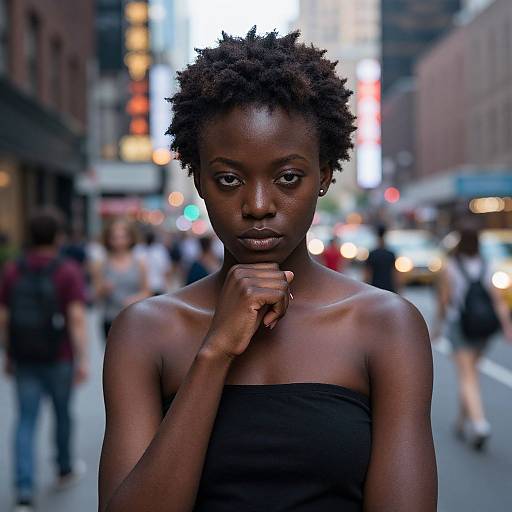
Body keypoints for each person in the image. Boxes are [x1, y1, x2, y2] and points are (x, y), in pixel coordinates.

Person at [99, 28, 437, 511]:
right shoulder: (146, 332)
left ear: (323, 176)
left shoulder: (386, 326)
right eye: (230, 179)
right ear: (198, 180)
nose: (258, 206)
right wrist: (214, 352)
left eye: (288, 177)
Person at [0, 208, 89, 512]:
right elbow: (76, 318)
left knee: (25, 420)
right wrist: (83, 359)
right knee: (63, 413)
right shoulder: (67, 271)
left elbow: (4, 317)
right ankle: (64, 468)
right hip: (59, 355)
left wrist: (8, 352)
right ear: (58, 236)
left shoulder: (13, 269)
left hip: (24, 355)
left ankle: (24, 492)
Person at [435, 226, 512, 450]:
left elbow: (444, 301)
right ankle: (462, 422)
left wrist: (438, 327)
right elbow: (497, 300)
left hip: (460, 326)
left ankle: (479, 424)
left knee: (467, 376)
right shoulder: (487, 266)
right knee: (471, 374)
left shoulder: (451, 267)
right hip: (483, 330)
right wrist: (506, 326)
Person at [91, 219, 150, 341]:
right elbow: (94, 295)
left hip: (135, 318)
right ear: (108, 239)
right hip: (110, 319)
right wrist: (103, 289)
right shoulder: (101, 264)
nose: (119, 241)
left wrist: (134, 299)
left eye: (123, 237)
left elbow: (147, 292)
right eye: (114, 237)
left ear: (130, 238)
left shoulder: (140, 263)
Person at [134, 230, 172, 296]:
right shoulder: (138, 249)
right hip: (143, 288)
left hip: (158, 286)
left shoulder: (160, 249)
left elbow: (166, 269)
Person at [364, 224, 398, 293]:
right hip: (389, 289)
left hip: (375, 288)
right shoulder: (391, 254)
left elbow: (367, 274)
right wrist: (398, 288)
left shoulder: (372, 254)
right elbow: (395, 274)